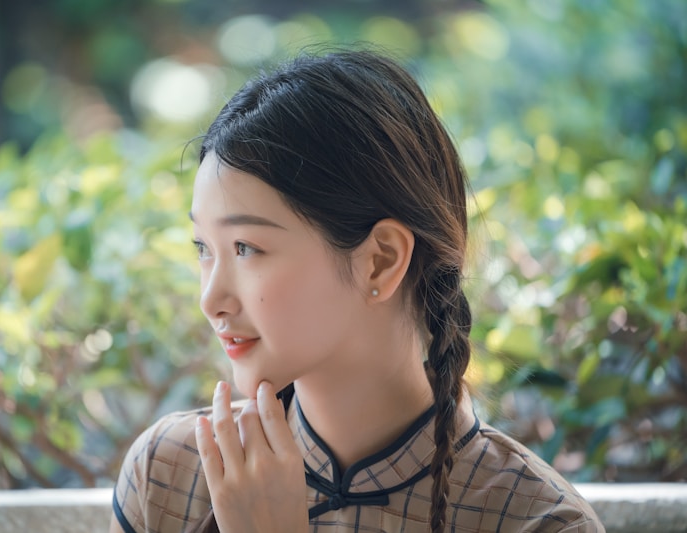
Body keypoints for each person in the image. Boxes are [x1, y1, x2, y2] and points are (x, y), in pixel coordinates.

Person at [110, 49, 604, 533]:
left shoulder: (537, 520)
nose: (210, 298)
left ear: (381, 261)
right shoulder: (168, 473)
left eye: (245, 248)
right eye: (203, 247)